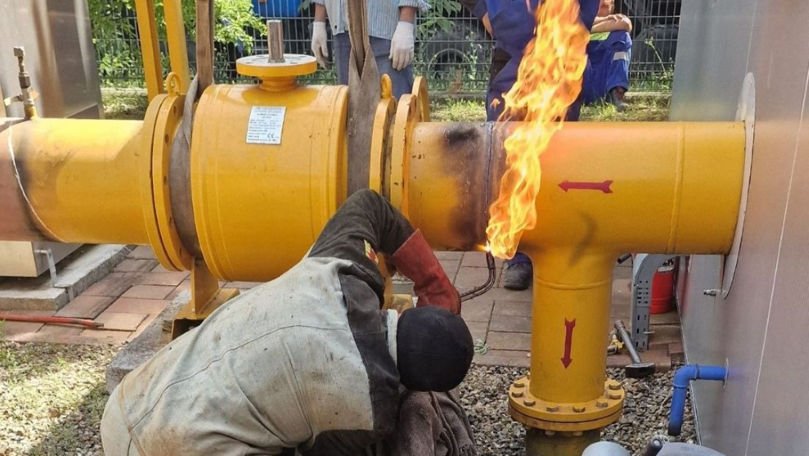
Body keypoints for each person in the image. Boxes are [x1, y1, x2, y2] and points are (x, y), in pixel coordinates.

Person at [100, 189, 475, 455]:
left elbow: (369, 205)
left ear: (406, 314)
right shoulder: (372, 411)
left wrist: (434, 283)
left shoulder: (342, 269)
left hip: (127, 401)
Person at [460, 0, 600, 290]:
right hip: (510, 63)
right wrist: (482, 10)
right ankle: (519, 254)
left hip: (561, 60)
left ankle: (553, 246)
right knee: (509, 160)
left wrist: (574, 29)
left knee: (557, 161)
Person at [310, 1, 425, 99]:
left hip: (385, 28)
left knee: (393, 108)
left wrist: (406, 21)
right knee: (348, 110)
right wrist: (319, 21)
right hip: (341, 28)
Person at [581, 0, 632, 111]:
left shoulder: (616, 25)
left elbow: (625, 23)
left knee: (623, 37)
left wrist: (586, 29)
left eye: (604, 6)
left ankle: (616, 95)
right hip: (581, 83)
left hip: (604, 83)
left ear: (612, 7)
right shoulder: (571, 16)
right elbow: (571, 26)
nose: (598, 9)